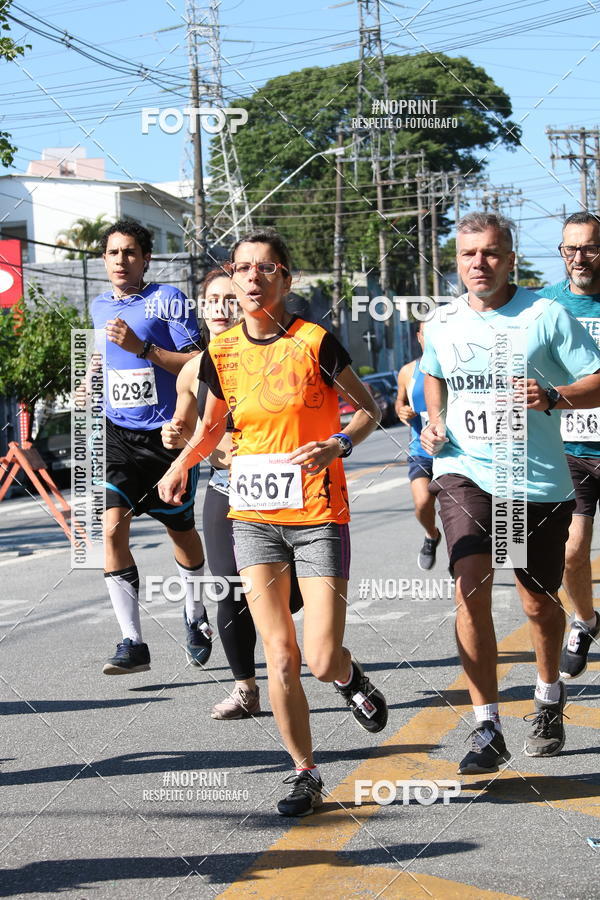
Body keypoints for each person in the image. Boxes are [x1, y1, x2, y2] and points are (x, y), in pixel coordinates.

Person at [158, 229, 388, 816]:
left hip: (316, 515)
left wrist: (337, 444)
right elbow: (213, 425)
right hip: (254, 517)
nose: (253, 277)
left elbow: (369, 409)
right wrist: (183, 462)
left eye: (265, 268)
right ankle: (305, 773)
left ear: (285, 279)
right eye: (242, 268)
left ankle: (349, 676)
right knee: (279, 656)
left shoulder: (315, 341)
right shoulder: (222, 351)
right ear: (232, 280)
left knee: (318, 656)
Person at [420, 211, 600, 773]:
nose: (480, 264)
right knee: (469, 585)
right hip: (463, 471)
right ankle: (486, 726)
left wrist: (552, 397)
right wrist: (433, 419)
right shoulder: (443, 321)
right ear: (456, 262)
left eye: (491, 253)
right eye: (469, 255)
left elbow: (597, 380)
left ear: (511, 259)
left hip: (531, 480)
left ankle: (548, 696)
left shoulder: (546, 316)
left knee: (535, 603)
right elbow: (435, 374)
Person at [91, 220, 210, 675]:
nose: (121, 261)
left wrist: (143, 348)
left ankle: (196, 615)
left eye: (130, 253)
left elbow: (199, 363)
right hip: (118, 434)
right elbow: (104, 357)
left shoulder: (168, 300)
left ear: (146, 259)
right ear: (104, 260)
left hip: (168, 437)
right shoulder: (99, 305)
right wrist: (89, 380)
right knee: (110, 530)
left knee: (179, 532)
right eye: (113, 253)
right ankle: (132, 641)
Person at [540, 212, 600, 679]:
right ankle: (585, 620)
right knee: (572, 551)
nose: (579, 258)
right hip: (571, 448)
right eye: (570, 249)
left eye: (589, 248)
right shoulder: (546, 306)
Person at [395, 320, 441, 570]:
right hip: (421, 452)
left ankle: (463, 559)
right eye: (427, 333)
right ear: (419, 337)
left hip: (455, 453)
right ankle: (432, 535)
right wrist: (401, 411)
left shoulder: (454, 366)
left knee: (463, 514)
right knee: (423, 504)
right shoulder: (407, 371)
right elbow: (399, 401)